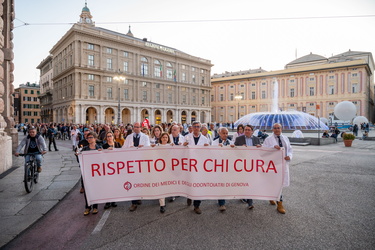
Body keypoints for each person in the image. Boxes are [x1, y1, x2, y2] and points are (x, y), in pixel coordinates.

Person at [263, 123, 293, 214]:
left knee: (279, 184)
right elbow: (263, 149)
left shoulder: (285, 138)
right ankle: (277, 201)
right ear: (272, 130)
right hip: (273, 165)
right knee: (274, 183)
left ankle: (277, 201)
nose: (277, 130)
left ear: (281, 129)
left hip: (283, 164)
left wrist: (289, 156)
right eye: (275, 128)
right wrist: (272, 147)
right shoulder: (268, 139)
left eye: (278, 128)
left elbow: (290, 150)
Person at [123, 122, 151, 211]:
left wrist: (140, 148)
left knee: (140, 181)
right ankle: (133, 203)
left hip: (141, 162)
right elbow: (124, 148)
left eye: (137, 127)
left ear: (141, 128)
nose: (135, 129)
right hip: (131, 162)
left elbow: (148, 148)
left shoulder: (145, 137)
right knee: (132, 180)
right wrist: (130, 148)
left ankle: (138, 196)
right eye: (134, 127)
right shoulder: (128, 137)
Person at [183, 121, 210, 214]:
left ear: (200, 128)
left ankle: (197, 205)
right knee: (190, 182)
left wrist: (207, 147)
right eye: (194, 126)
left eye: (198, 126)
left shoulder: (204, 139)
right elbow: (181, 149)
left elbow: (208, 152)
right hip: (189, 164)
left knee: (198, 184)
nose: (196, 128)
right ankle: (189, 196)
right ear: (192, 127)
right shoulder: (186, 137)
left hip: (199, 165)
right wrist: (183, 145)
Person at [234, 125, 262, 209]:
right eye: (245, 130)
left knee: (250, 182)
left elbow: (261, 153)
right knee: (243, 181)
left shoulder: (257, 139)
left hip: (252, 165)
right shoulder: (239, 139)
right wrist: (239, 148)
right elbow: (233, 151)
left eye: (248, 130)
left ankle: (250, 202)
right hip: (242, 165)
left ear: (252, 131)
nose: (246, 131)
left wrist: (259, 148)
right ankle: (243, 195)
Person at [212, 127, 234, 211]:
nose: (225, 135)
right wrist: (216, 148)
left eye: (226, 133)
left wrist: (234, 149)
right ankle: (222, 203)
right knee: (221, 184)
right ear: (219, 134)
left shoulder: (231, 143)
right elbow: (211, 155)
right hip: (219, 167)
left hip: (228, 167)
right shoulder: (214, 143)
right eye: (223, 133)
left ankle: (221, 199)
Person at [81, 131, 102, 216]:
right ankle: (87, 206)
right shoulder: (84, 148)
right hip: (87, 172)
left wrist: (102, 152)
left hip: (96, 172)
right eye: (88, 138)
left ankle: (95, 207)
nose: (89, 139)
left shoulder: (99, 147)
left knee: (95, 189)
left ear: (95, 138)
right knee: (87, 190)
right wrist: (77, 154)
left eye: (91, 137)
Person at [153, 132, 172, 213]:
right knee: (161, 187)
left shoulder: (171, 146)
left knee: (167, 185)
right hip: (159, 169)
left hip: (168, 169)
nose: (165, 139)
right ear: (160, 138)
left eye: (166, 137)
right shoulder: (156, 146)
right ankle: (162, 205)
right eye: (163, 137)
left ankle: (170, 196)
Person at [102, 131, 121, 209]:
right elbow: (101, 155)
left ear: (113, 137)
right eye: (108, 136)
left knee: (114, 184)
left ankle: (113, 200)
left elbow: (122, 154)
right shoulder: (104, 145)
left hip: (116, 166)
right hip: (108, 167)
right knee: (108, 184)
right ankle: (107, 201)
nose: (109, 137)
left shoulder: (118, 145)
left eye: (110, 136)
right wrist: (105, 151)